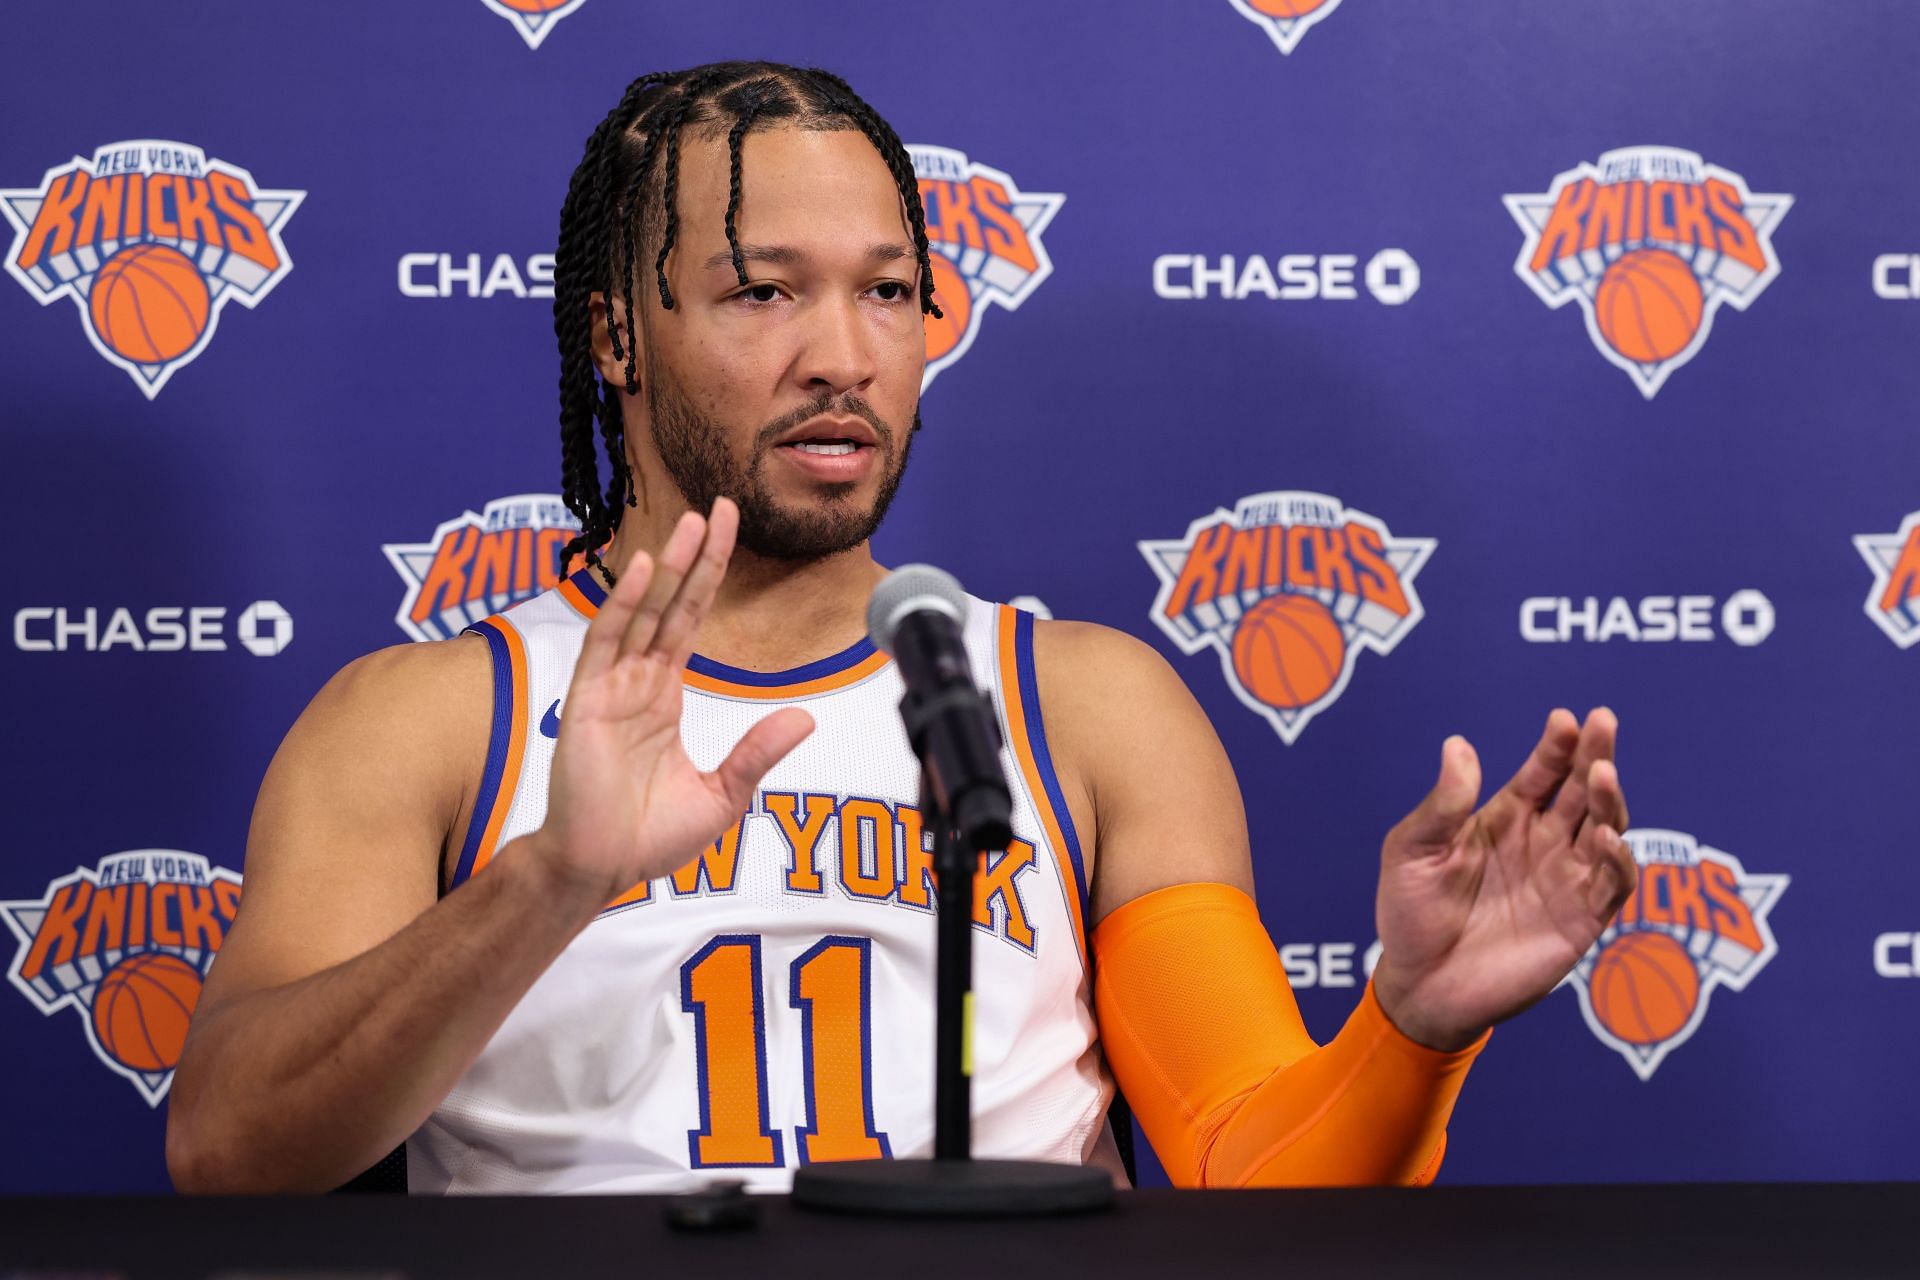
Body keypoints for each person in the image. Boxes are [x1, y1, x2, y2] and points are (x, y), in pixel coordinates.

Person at [165, 61, 1634, 1195]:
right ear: (615, 331)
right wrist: (549, 880)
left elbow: (1255, 1163)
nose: (845, 357)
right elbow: (229, 1153)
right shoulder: (433, 720)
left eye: (888, 293)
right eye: (762, 291)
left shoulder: (1084, 708)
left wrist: (1412, 1029)